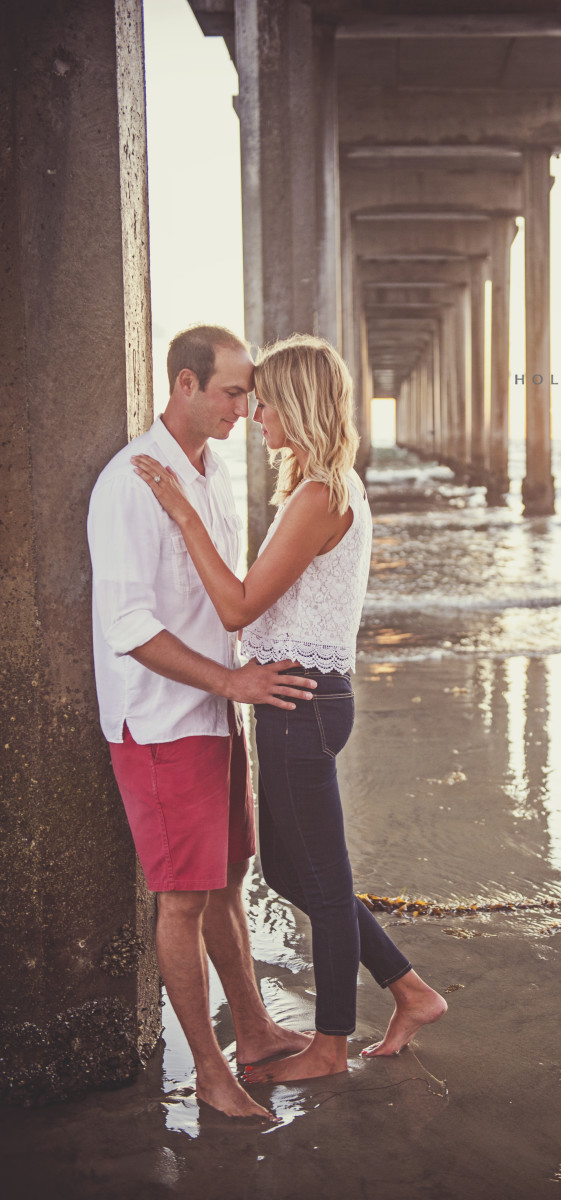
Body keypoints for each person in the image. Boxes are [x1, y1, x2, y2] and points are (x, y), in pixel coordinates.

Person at [131, 333, 447, 1084]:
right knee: (285, 873)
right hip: (297, 701)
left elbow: (238, 607)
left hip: (298, 702)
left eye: (264, 401)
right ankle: (410, 990)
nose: (255, 415)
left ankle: (331, 1047)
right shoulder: (319, 485)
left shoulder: (318, 496)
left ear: (298, 405)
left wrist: (183, 514)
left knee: (325, 885)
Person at [88, 325, 318, 1120]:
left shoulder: (212, 471)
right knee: (182, 897)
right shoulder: (129, 483)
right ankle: (212, 1072)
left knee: (226, 876)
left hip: (216, 711)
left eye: (247, 394)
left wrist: (237, 684)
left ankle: (252, 1029)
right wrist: (230, 679)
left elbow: (224, 594)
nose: (243, 407)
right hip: (160, 722)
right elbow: (127, 623)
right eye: (230, 391)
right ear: (184, 385)